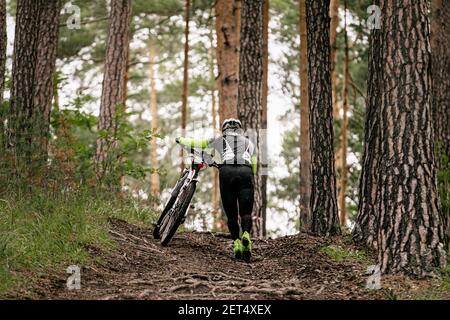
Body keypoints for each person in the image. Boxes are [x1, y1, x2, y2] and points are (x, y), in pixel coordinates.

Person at [176, 118, 256, 261]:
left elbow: (197, 144)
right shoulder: (249, 143)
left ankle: (237, 244)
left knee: (231, 215)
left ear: (224, 129)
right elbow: (254, 165)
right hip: (246, 171)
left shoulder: (220, 139)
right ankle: (246, 237)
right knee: (246, 213)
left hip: (227, 172)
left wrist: (181, 139)